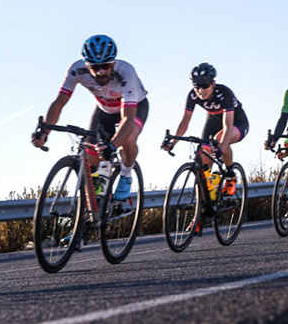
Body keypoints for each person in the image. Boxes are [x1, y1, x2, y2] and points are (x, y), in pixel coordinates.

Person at [32, 34, 148, 201]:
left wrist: (113, 146)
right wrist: (45, 132)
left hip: (135, 107)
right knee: (91, 152)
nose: (100, 71)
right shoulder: (76, 70)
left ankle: (126, 174)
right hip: (104, 109)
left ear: (113, 62)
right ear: (87, 65)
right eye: (95, 67)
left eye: (106, 65)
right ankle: (97, 200)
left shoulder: (126, 72)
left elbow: (127, 120)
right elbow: (59, 103)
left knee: (127, 139)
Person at [164, 63, 248, 193]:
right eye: (197, 86)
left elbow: (227, 126)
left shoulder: (224, 93)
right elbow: (184, 122)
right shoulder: (193, 95)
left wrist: (221, 147)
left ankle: (230, 175)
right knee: (204, 167)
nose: (200, 90)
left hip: (236, 122)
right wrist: (173, 142)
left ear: (213, 83)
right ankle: (206, 205)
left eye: (205, 86)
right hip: (213, 121)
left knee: (219, 139)